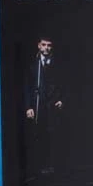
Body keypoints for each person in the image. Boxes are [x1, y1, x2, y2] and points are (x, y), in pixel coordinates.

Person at [23, 36, 62, 175]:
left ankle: (51, 166)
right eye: (44, 45)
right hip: (37, 104)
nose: (46, 48)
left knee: (52, 134)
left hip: (52, 104)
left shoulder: (58, 64)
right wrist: (28, 106)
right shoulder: (33, 65)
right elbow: (27, 86)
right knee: (37, 134)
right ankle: (37, 165)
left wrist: (61, 99)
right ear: (39, 46)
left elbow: (63, 83)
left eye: (49, 45)